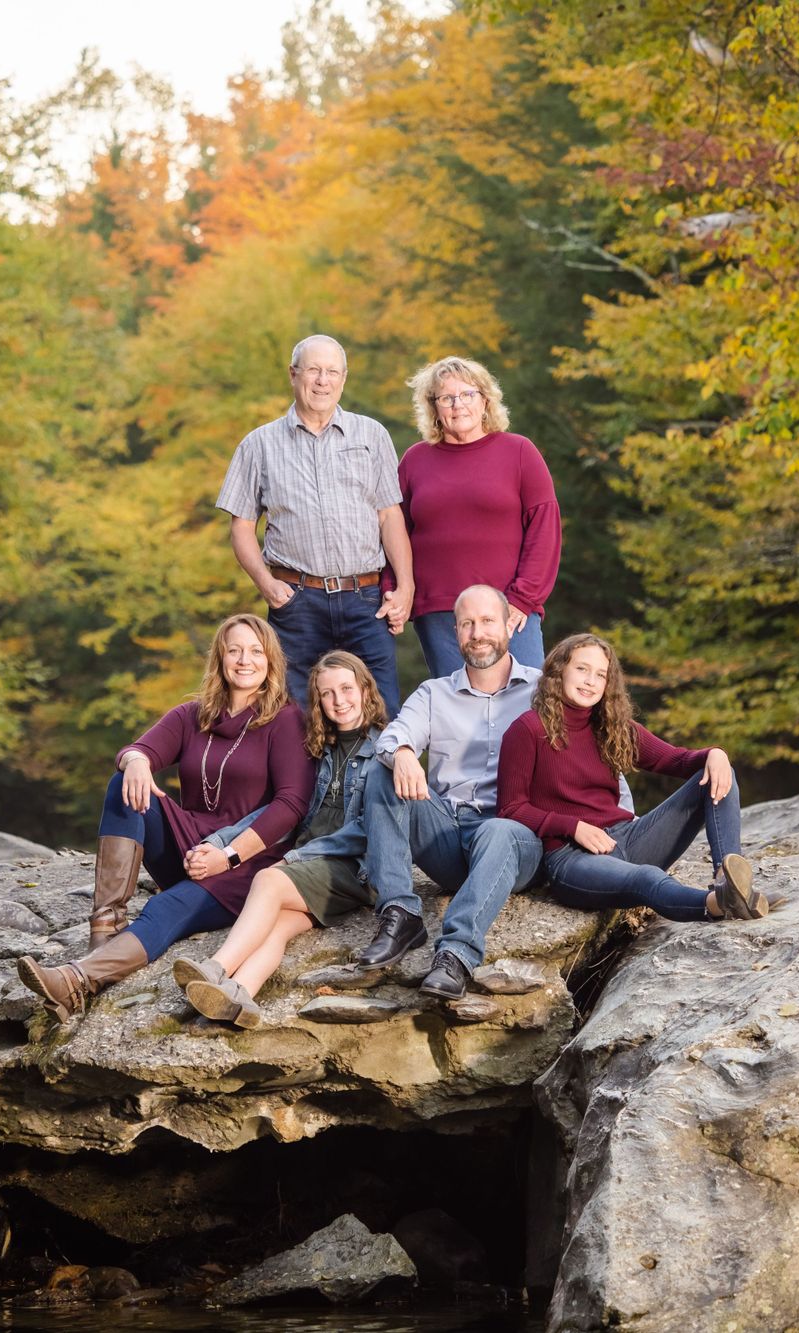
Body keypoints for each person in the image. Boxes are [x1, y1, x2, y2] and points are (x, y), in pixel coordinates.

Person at [17, 616, 315, 1021]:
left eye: (256, 651)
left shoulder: (284, 720)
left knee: (164, 909)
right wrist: (137, 760)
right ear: (220, 658)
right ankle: (105, 927)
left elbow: (291, 805)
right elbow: (136, 749)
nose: (245, 660)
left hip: (245, 863)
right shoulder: (192, 715)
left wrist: (227, 856)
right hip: (188, 844)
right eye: (235, 650)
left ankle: (76, 983)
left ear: (271, 662)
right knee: (123, 783)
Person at [169, 651, 387, 1028]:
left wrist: (299, 857)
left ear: (366, 690)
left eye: (347, 689)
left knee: (269, 879)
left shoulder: (386, 751)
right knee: (279, 925)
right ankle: (239, 997)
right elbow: (285, 808)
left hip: (355, 871)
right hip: (314, 869)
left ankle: (215, 967)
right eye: (327, 694)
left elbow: (370, 830)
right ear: (316, 701)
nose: (339, 701)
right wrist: (223, 842)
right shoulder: (320, 748)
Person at [354, 584, 546, 1000]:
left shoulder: (543, 691)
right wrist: (403, 752)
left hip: (514, 839)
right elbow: (393, 737)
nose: (478, 632)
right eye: (467, 624)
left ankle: (456, 954)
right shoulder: (433, 693)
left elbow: (588, 753)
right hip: (447, 836)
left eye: (487, 621)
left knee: (499, 829)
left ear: (509, 626)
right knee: (381, 770)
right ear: (456, 632)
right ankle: (401, 912)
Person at [496, 633, 768, 923]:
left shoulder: (612, 726)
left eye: (600, 675)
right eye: (582, 669)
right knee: (647, 878)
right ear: (559, 670)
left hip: (628, 838)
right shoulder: (527, 729)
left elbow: (673, 759)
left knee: (715, 772)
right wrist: (572, 826)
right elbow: (511, 809)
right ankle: (718, 904)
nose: (590, 681)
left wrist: (714, 754)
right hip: (572, 858)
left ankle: (728, 881)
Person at [215, 334, 414, 720]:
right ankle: (305, 785)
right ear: (293, 374)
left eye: (332, 372)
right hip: (296, 602)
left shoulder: (372, 435)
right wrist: (266, 584)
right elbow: (241, 526)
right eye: (313, 370)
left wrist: (405, 587)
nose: (323, 381)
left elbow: (390, 516)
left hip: (366, 600)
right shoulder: (259, 444)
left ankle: (377, 783)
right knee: (295, 717)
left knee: (383, 710)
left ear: (343, 379)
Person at [395, 356, 561, 677]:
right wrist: (398, 590)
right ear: (434, 407)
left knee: (526, 711)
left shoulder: (520, 452)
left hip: (509, 609)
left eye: (467, 395)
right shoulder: (415, 460)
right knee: (460, 714)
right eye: (446, 398)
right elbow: (394, 532)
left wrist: (523, 598)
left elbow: (545, 529)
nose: (458, 406)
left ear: (485, 400)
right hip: (441, 612)